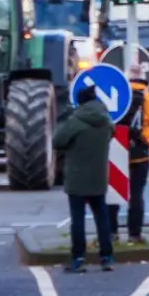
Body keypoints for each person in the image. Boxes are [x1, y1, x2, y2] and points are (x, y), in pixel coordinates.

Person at [53, 86, 116, 273]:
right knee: (102, 218)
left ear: (79, 102)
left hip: (76, 178)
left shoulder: (75, 121)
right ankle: (106, 257)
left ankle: (78, 258)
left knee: (78, 219)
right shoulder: (106, 121)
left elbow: (57, 141)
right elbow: (111, 134)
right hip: (98, 177)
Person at [107, 66, 149, 242]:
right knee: (137, 194)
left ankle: (111, 232)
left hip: (116, 149)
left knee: (114, 194)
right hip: (140, 152)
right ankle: (134, 234)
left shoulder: (117, 96)